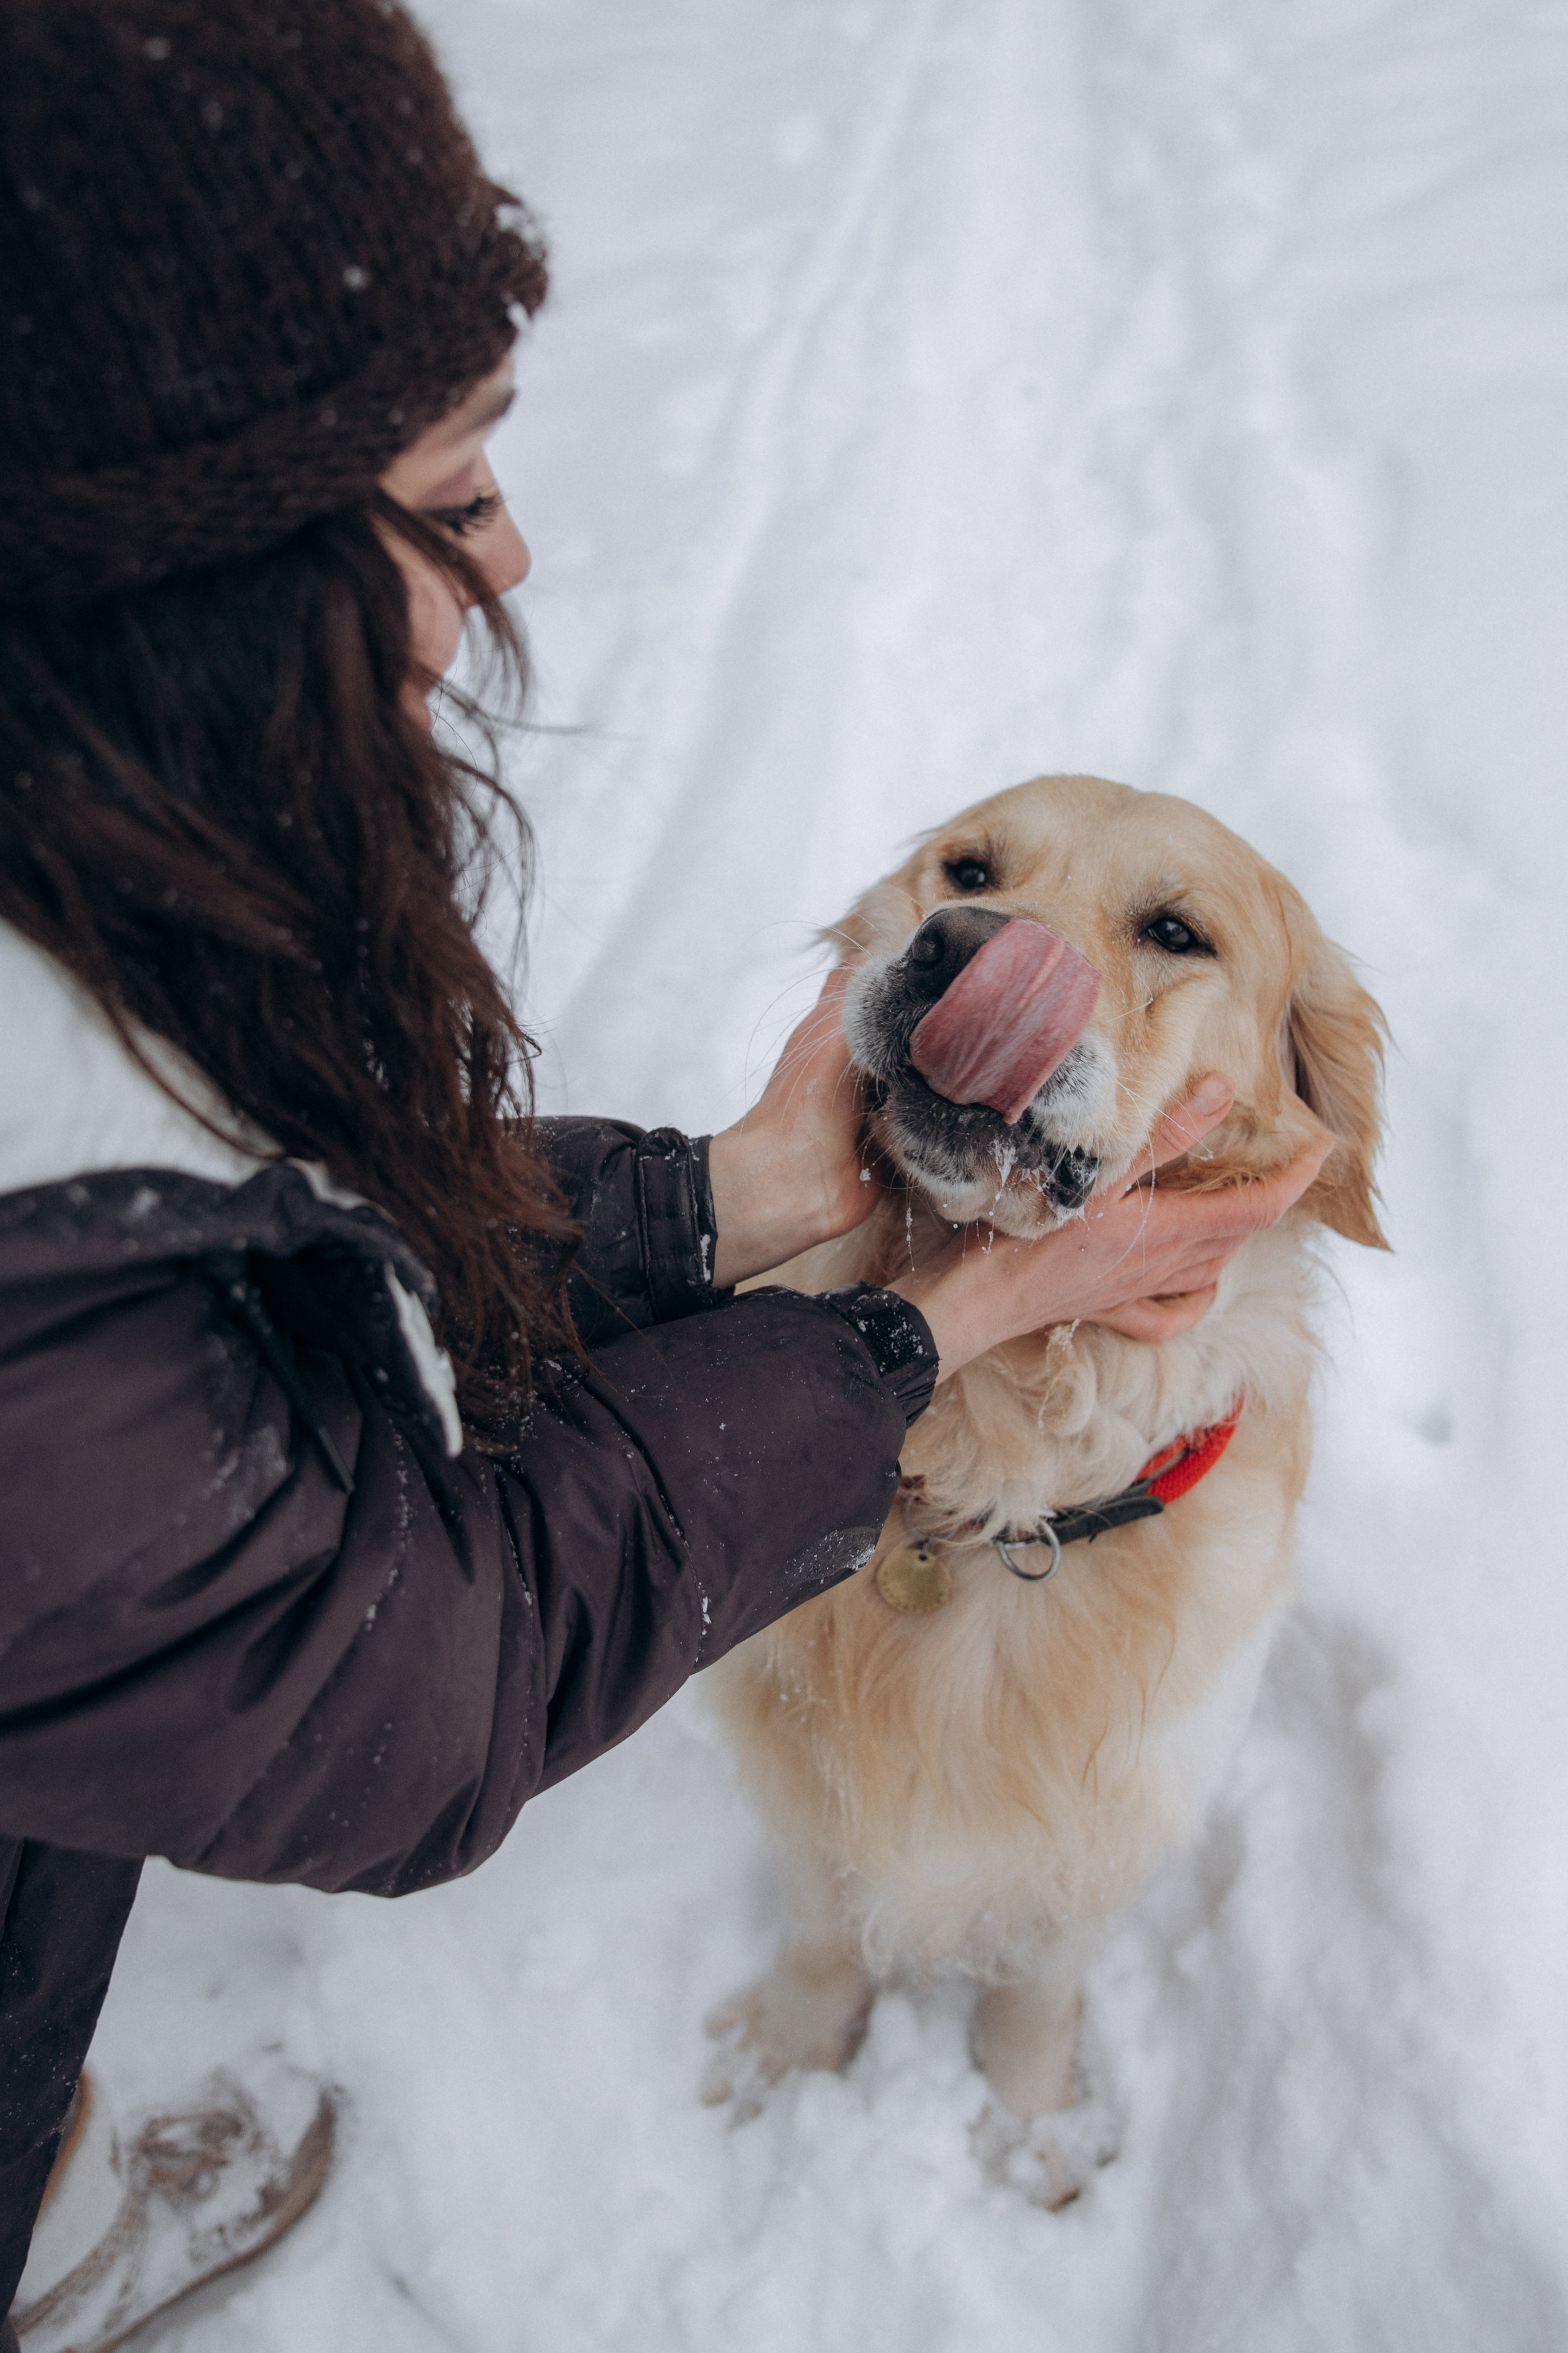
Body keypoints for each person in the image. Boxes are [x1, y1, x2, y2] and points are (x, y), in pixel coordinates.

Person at [0, 5, 1329, 2346]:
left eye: (1166, 935)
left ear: (1294, 1105)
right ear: (183, 575)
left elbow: (262, 1288)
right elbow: (390, 1680)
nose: (514, 550)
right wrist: (919, 1335)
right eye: (455, 475)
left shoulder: (96, 905)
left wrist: (718, 1203)